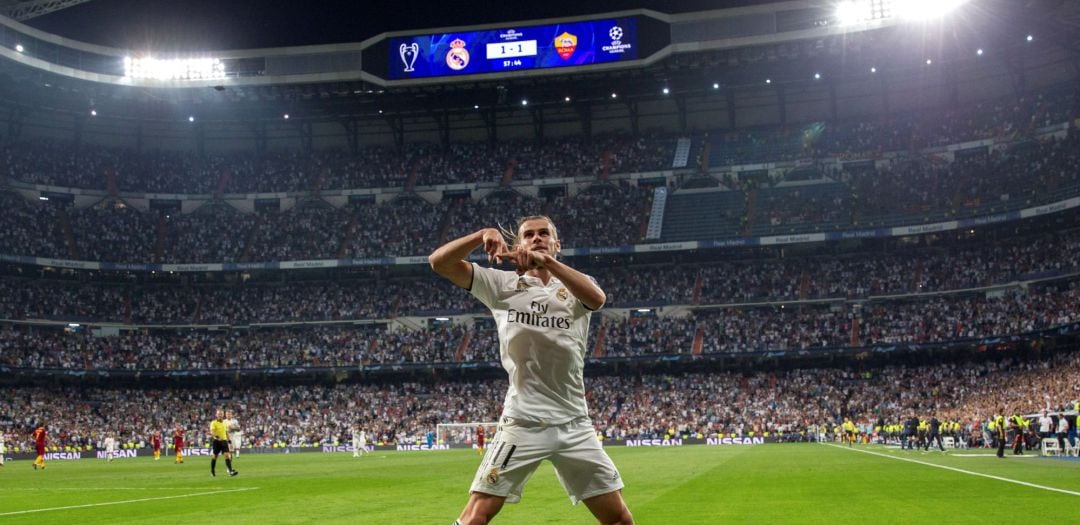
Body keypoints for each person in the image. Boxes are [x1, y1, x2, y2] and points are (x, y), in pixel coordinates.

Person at [429, 216, 633, 525]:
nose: (536, 238)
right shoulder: (501, 284)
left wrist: (547, 263)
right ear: (517, 246)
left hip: (574, 424)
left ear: (556, 244)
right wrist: (482, 234)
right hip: (523, 422)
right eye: (529, 235)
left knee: (619, 519)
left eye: (544, 234)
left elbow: (597, 299)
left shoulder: (576, 285)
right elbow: (439, 262)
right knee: (476, 516)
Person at [209, 409, 238, 477]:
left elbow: (226, 432)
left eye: (221, 414)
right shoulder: (213, 422)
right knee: (215, 456)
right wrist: (217, 437)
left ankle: (230, 471)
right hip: (217, 442)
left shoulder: (224, 423)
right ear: (216, 415)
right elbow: (212, 432)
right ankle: (212, 471)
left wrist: (229, 441)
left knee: (227, 455)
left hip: (224, 441)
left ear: (223, 415)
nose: (220, 415)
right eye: (219, 414)